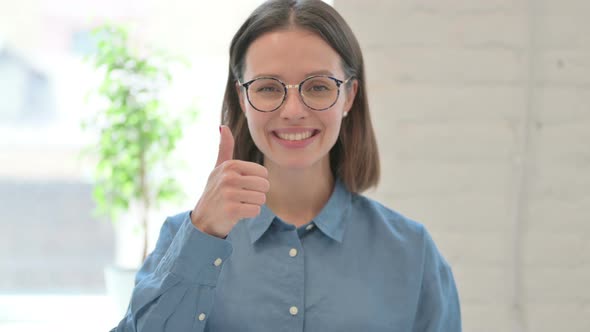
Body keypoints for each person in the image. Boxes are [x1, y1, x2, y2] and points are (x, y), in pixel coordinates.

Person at [112, 0, 461, 331]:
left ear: (349, 96)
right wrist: (202, 235)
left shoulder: (412, 253)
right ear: (242, 98)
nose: (293, 110)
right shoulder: (186, 237)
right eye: (267, 88)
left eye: (319, 86)